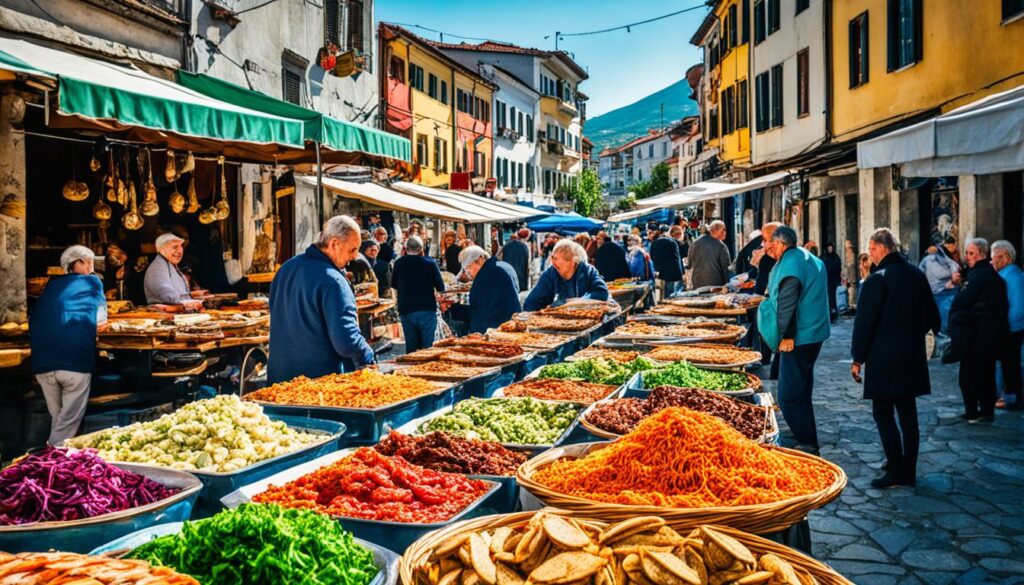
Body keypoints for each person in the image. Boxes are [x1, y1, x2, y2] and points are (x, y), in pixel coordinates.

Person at [851, 229, 940, 488]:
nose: (870, 254)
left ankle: (896, 469)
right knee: (908, 413)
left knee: (883, 412)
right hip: (911, 355)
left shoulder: (877, 279)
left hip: (883, 358)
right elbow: (933, 318)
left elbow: (864, 323)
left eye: (871, 248)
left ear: (881, 248)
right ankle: (907, 469)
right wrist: (911, 334)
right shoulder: (916, 274)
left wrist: (858, 358)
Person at [268, 216, 375, 383]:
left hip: (279, 379)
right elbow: (346, 340)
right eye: (352, 250)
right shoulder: (334, 281)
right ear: (334, 244)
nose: (354, 257)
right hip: (318, 385)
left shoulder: (286, 269)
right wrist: (367, 354)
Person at [757, 226, 831, 452]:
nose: (769, 247)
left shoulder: (791, 264)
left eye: (771, 243)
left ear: (782, 244)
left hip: (800, 337)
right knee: (801, 388)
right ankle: (806, 434)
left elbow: (787, 303)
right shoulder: (806, 257)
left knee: (789, 395)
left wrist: (787, 336)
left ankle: (807, 441)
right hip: (814, 333)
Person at [29, 245, 107, 445]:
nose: (91, 266)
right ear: (79, 263)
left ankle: (53, 467)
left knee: (59, 420)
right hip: (74, 361)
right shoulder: (93, 281)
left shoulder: (51, 286)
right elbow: (101, 320)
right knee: (66, 425)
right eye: (87, 261)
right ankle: (49, 462)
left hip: (42, 365)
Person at [948, 238, 1008, 423]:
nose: (967, 256)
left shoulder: (978, 276)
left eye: (971, 253)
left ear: (982, 254)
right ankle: (986, 411)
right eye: (966, 253)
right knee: (986, 375)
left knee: (969, 377)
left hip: (976, 335)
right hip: (990, 334)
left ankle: (973, 411)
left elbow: (962, 302)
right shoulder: (993, 276)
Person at [450, 246, 522, 334]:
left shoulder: (486, 275)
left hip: (496, 332)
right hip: (508, 326)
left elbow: (478, 313)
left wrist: (452, 308)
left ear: (479, 260)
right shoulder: (500, 268)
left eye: (469, 267)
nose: (469, 273)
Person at [392, 235, 446, 353]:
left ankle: (410, 370)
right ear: (422, 249)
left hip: (406, 309)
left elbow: (394, 285)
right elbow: (441, 287)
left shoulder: (399, 263)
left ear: (406, 249)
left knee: (411, 348)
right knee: (427, 347)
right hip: (426, 308)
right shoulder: (430, 263)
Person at [524, 239, 609, 311]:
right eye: (552, 258)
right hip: (557, 323)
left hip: (587, 319)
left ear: (573, 261)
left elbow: (602, 293)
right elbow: (531, 303)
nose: (552, 263)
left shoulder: (588, 271)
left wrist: (581, 301)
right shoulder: (550, 274)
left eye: (556, 259)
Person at [992, 240, 1024, 410]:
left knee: (1010, 364)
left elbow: (1018, 308)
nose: (993, 261)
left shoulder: (1012, 277)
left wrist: (1005, 327)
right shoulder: (1010, 275)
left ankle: (1012, 398)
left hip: (1012, 328)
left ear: (1005, 257)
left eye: (995, 257)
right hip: (1011, 327)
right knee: (1008, 363)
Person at [919, 236, 962, 334]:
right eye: (953, 244)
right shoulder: (931, 259)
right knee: (943, 331)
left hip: (944, 295)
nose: (955, 247)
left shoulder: (945, 257)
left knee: (943, 331)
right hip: (941, 295)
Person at [144, 233, 197, 305]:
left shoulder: (171, 265)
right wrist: (191, 304)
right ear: (162, 250)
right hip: (163, 314)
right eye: (175, 247)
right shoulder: (157, 269)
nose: (179, 251)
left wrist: (191, 296)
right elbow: (168, 297)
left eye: (181, 246)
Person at [688, 220, 732, 289]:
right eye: (723, 230)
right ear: (714, 230)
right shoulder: (721, 246)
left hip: (697, 284)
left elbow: (689, 264)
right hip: (716, 285)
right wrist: (728, 285)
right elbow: (726, 267)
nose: (724, 233)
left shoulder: (695, 243)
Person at [650, 226, 684, 298]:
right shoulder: (672, 242)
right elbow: (677, 259)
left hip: (660, 273)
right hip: (673, 273)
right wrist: (682, 273)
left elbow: (652, 257)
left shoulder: (654, 243)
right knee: (672, 294)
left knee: (663, 294)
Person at [501, 228, 532, 292]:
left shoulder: (506, 245)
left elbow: (500, 259)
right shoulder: (525, 247)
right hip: (521, 279)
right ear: (526, 237)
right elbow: (528, 265)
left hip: (507, 276)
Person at [822, 243, 843, 321]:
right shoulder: (824, 257)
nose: (830, 249)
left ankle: (833, 314)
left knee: (833, 298)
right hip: (826, 280)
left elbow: (838, 268)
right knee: (827, 297)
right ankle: (828, 314)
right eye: (829, 248)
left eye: (831, 248)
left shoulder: (836, 257)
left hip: (834, 281)